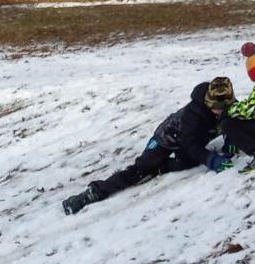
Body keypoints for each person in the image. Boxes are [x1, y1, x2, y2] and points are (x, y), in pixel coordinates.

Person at [61, 77, 237, 214]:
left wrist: (232, 140)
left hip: (189, 143)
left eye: (223, 107)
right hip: (166, 139)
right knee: (139, 170)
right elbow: (191, 143)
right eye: (215, 107)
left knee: (189, 161)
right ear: (207, 102)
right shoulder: (193, 114)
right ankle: (93, 193)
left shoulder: (230, 106)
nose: (219, 111)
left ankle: (161, 168)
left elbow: (235, 121)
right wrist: (210, 159)